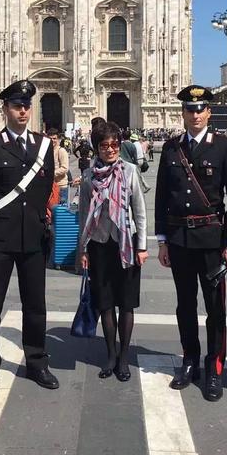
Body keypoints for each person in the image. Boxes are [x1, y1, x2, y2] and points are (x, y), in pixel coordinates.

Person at [155, 85, 227, 400]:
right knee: (185, 305)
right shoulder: (171, 148)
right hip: (179, 239)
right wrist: (162, 240)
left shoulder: (224, 147)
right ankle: (190, 360)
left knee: (215, 307)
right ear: (182, 114)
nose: (194, 114)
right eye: (189, 109)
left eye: (200, 109)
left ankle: (214, 367)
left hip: (211, 240)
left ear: (209, 112)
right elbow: (162, 196)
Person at [0, 80, 57, 399]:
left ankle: (37, 361)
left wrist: (38, 220)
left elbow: (45, 185)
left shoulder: (44, 145)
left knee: (36, 305)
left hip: (33, 237)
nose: (22, 110)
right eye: (15, 106)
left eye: (26, 106)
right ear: (5, 109)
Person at [78, 122, 148, 381]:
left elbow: (140, 212)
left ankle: (124, 357)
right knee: (105, 304)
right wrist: (82, 248)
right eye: (104, 145)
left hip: (125, 243)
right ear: (96, 147)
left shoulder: (129, 171)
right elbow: (84, 214)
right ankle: (110, 355)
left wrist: (142, 246)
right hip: (99, 245)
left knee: (126, 304)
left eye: (114, 145)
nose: (110, 149)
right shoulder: (88, 175)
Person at [48, 127, 70, 204]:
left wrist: (51, 173)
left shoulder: (61, 151)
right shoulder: (47, 151)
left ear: (58, 139)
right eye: (50, 138)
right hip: (51, 186)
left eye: (54, 138)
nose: (52, 140)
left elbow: (65, 168)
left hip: (61, 186)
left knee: (60, 212)